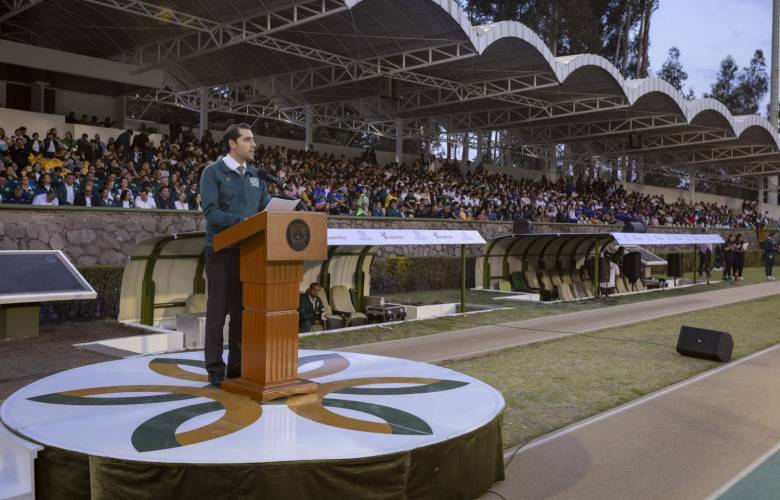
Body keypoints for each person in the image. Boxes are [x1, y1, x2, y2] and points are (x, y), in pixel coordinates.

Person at [199, 123, 271, 387]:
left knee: (243, 315)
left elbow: (266, 210)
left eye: (253, 139)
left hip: (250, 254)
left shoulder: (256, 176)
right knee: (218, 314)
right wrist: (242, 222)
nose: (254, 144)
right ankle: (215, 371)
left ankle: (237, 368)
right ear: (232, 143)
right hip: (221, 252)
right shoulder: (212, 172)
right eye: (248, 139)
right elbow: (211, 212)